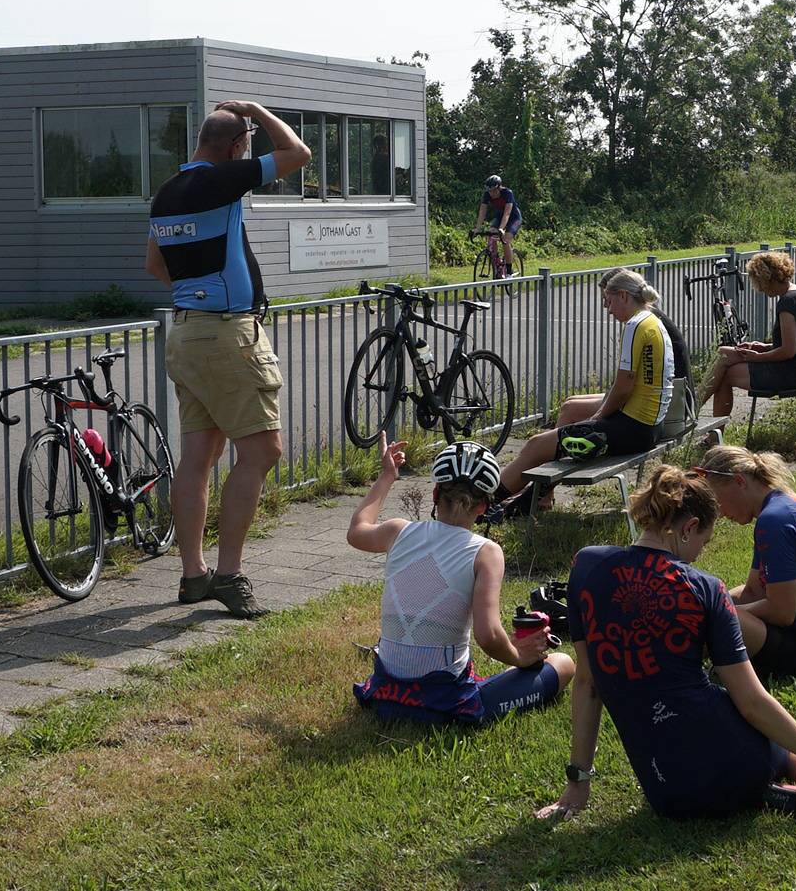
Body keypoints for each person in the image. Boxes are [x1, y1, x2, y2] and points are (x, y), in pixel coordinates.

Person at [535, 465, 796, 823]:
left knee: (698, 730)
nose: (700, 554)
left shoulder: (586, 566)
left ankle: (773, 792)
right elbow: (753, 702)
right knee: (729, 707)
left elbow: (588, 684)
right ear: (690, 528)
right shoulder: (706, 589)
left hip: (667, 791)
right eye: (704, 541)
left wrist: (578, 785)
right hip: (738, 758)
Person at [145, 101, 312, 618]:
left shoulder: (166, 193)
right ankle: (229, 575)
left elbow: (155, 266)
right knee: (263, 452)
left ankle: (192, 575)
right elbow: (297, 153)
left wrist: (195, 292)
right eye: (245, 143)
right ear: (237, 146)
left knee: (198, 460)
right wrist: (256, 111)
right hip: (226, 334)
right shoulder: (224, 179)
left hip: (185, 333)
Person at [348, 437, 574, 723]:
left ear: (434, 493)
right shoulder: (486, 552)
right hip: (444, 702)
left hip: (384, 691)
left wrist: (387, 476)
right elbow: (489, 636)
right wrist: (519, 655)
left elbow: (357, 531)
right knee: (563, 664)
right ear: (483, 507)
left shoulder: (397, 531)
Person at [488, 268, 682, 513]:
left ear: (623, 296)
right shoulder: (652, 320)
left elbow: (624, 387)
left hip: (633, 428)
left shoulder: (635, 325)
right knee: (551, 435)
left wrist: (597, 418)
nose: (609, 310)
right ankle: (530, 500)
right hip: (648, 427)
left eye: (609, 302)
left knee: (536, 445)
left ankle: (487, 503)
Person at [691, 445, 796, 680]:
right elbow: (753, 590)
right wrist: (704, 607)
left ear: (739, 481)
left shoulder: (774, 520)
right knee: (712, 609)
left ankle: (679, 666)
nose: (718, 513)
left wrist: (719, 616)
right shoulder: (782, 505)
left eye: (718, 501)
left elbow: (782, 612)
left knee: (719, 618)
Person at [696, 252, 796, 417]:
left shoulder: (788, 303)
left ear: (766, 279)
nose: (759, 289)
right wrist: (763, 347)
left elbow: (788, 351)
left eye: (758, 283)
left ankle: (692, 412)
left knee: (724, 368)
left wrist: (756, 357)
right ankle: (694, 409)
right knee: (724, 354)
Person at [474, 175, 523, 277]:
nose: (491, 194)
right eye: (490, 191)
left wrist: (501, 228)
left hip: (514, 218)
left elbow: (507, 213)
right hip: (500, 216)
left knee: (505, 239)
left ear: (499, 188)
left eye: (494, 191)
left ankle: (509, 271)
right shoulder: (487, 194)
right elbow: (482, 211)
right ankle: (498, 263)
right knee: (491, 233)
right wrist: (477, 228)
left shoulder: (507, 193)